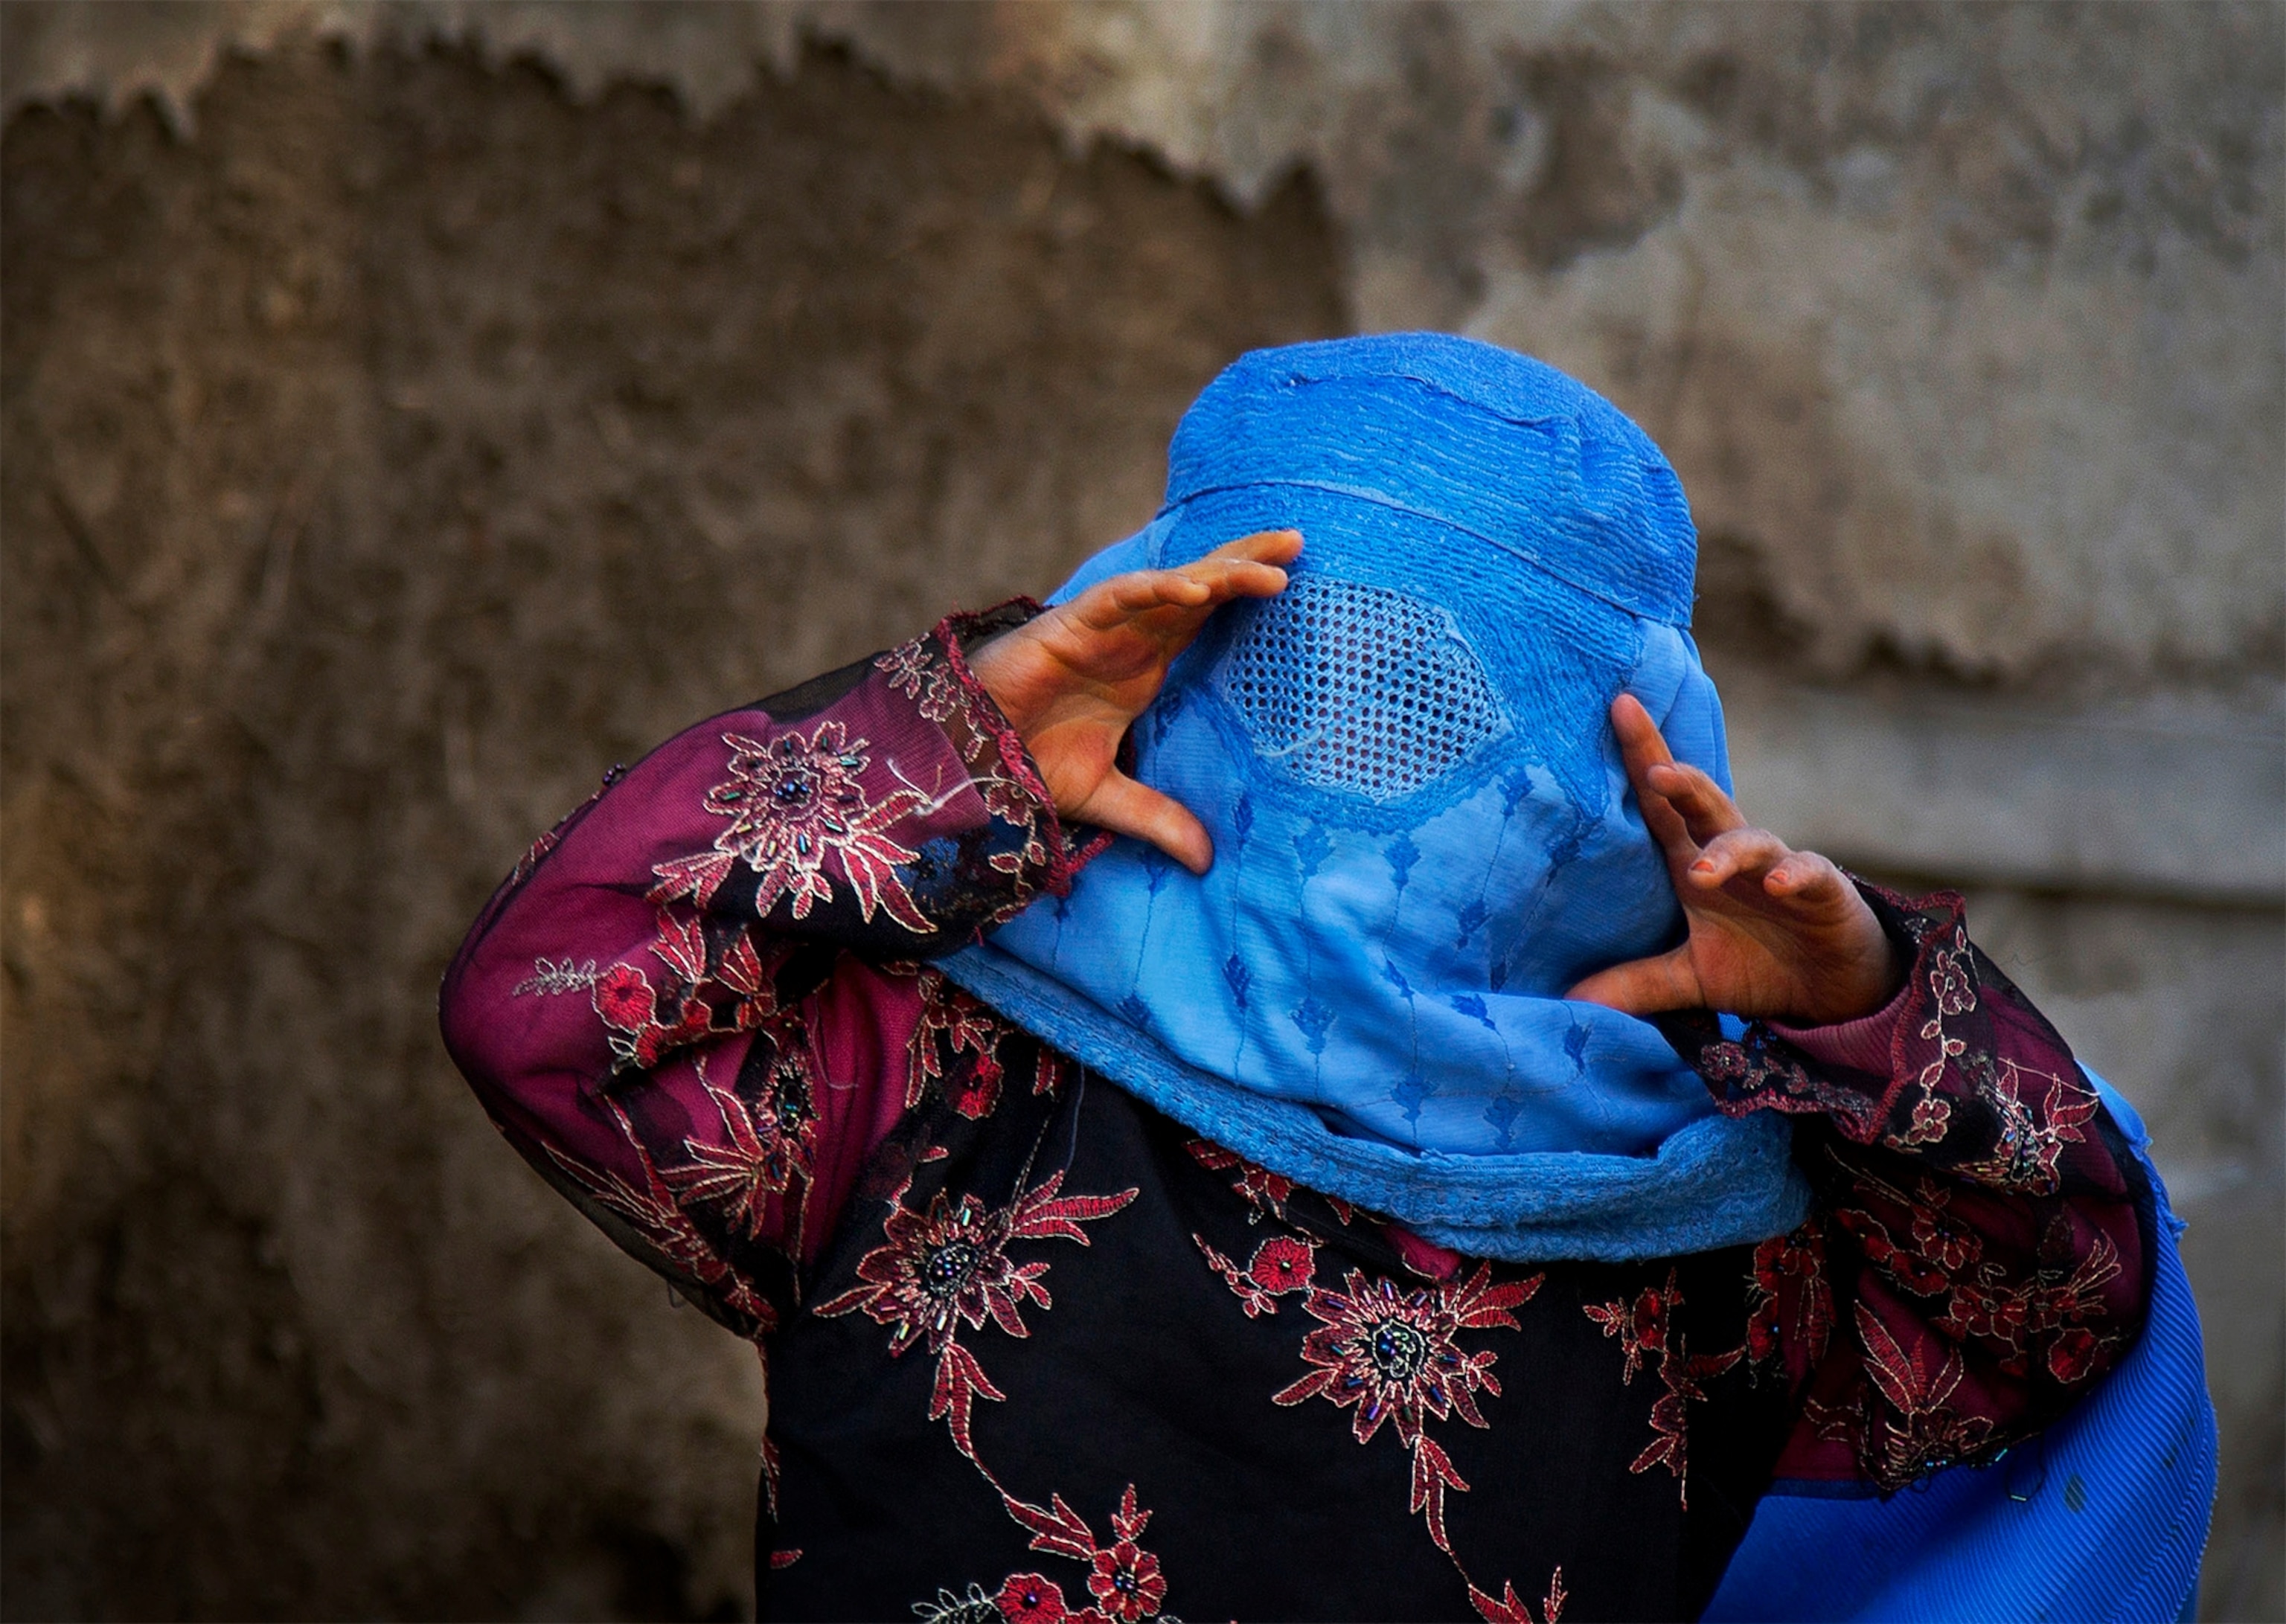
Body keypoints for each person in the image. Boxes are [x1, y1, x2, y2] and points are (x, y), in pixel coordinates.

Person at [441, 336, 2203, 1622]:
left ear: (1620, 768)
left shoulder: (1703, 1236)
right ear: (1154, 629)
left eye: (1429, 702)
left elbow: (2051, 1305)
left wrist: (1852, 1005)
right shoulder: (934, 1065)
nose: (1346, 746)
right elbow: (550, 999)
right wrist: (960, 739)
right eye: (1285, 660)